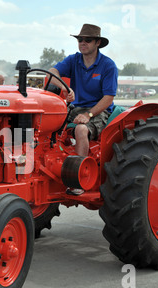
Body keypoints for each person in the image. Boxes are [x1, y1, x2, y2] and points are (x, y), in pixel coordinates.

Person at [48, 24, 118, 195]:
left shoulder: (108, 66)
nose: (82, 42)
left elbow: (108, 97)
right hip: (76, 107)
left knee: (80, 130)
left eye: (88, 40)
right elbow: (51, 72)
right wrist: (64, 87)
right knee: (48, 125)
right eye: (80, 39)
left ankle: (77, 180)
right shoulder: (74, 60)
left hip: (99, 110)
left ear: (98, 43)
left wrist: (89, 114)